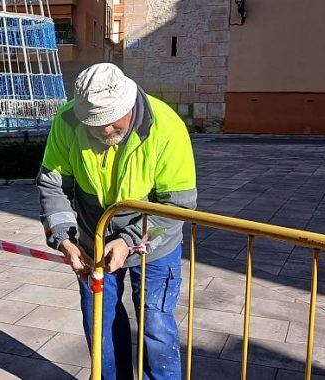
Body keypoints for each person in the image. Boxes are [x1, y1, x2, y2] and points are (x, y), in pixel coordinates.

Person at [37, 63, 197, 379]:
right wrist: (64, 237)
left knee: (156, 325)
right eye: (96, 125)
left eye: (112, 123)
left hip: (154, 243)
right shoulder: (68, 120)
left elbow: (177, 207)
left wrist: (130, 241)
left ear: (128, 104)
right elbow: (52, 184)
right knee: (101, 325)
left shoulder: (166, 127)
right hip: (91, 242)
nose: (105, 131)